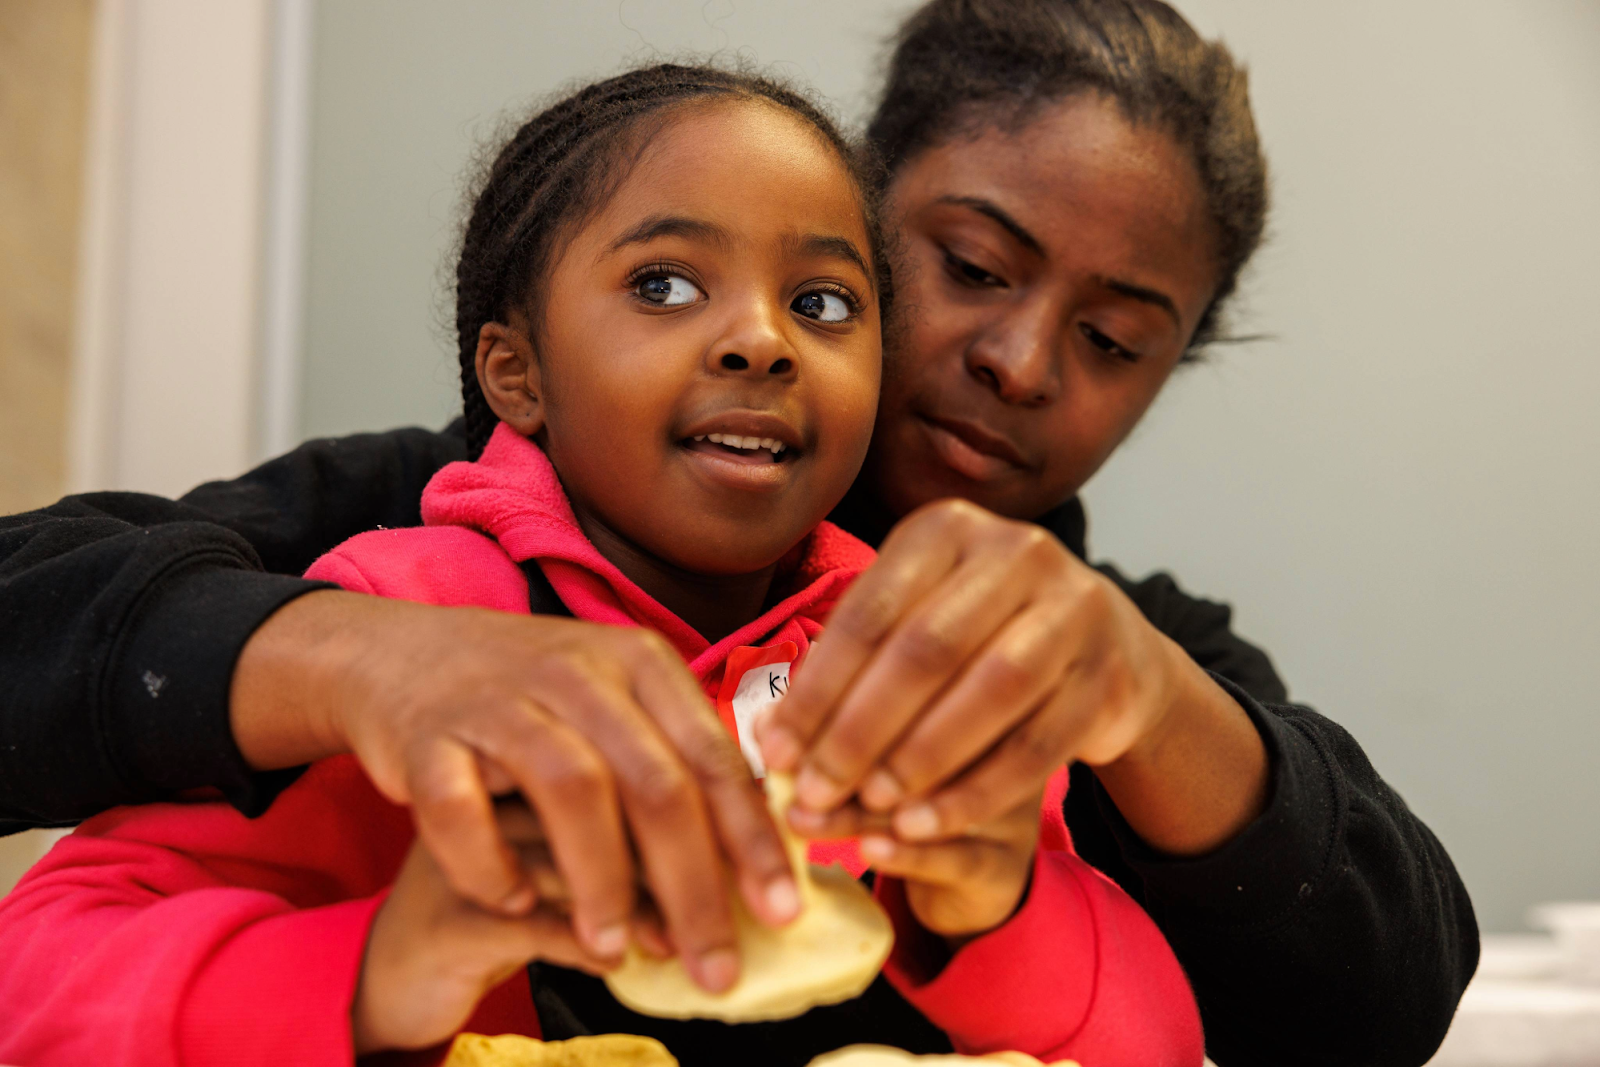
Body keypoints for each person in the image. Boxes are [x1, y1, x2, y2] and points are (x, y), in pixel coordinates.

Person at [0, 2, 1477, 1064]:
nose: (1024, 361)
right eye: (970, 264)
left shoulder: (1065, 690)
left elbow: (1377, 991)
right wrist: (358, 665)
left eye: (1112, 336)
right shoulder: (412, 546)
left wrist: (1126, 723)